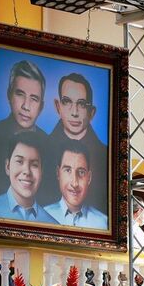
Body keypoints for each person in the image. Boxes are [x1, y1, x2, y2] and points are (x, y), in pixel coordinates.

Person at [45, 73, 108, 210]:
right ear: (58, 107)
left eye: (81, 104)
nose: (74, 112)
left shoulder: (106, 156)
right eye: (67, 101)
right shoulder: (41, 149)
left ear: (91, 112)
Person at [0, 60, 48, 198]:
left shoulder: (49, 144)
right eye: (20, 94)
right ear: (9, 95)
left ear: (41, 107)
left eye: (34, 99)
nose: (26, 106)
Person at [0, 132, 58, 224]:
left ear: (41, 172)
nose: (27, 172)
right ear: (8, 166)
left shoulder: (52, 224)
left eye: (34, 165)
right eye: (19, 161)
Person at [44, 139, 108, 230]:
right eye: (68, 170)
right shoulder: (42, 216)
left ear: (89, 178)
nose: (74, 183)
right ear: (58, 173)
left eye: (81, 172)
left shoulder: (103, 223)